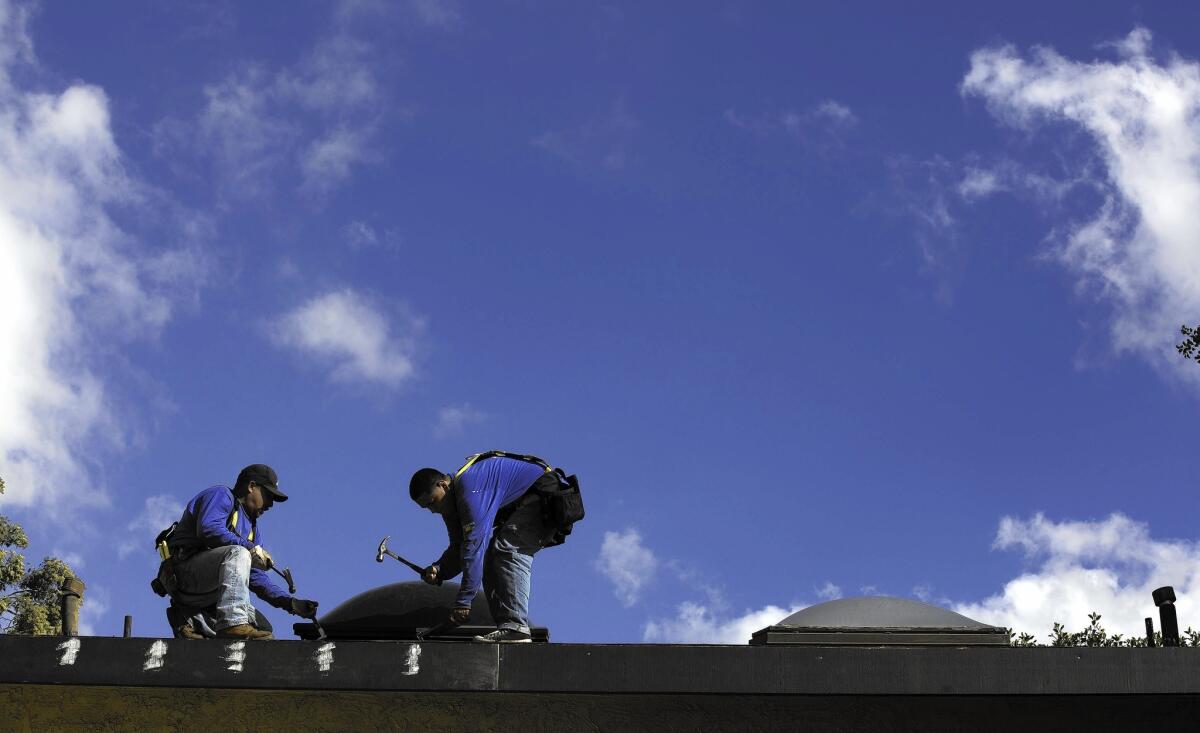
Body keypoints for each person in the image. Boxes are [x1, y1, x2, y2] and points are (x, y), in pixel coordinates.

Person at [410, 453, 567, 643]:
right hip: (523, 503)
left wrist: (464, 601)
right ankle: (508, 627)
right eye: (426, 507)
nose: (433, 510)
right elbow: (460, 547)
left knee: (506, 547)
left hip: (545, 496)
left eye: (432, 502)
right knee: (491, 557)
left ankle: (516, 627)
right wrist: (440, 569)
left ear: (443, 485)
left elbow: (474, 547)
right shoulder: (450, 508)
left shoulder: (469, 490)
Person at [164, 464, 319, 640]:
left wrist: (290, 603)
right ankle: (230, 624)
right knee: (239, 554)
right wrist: (249, 548)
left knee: (262, 628)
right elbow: (208, 528)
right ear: (251, 486)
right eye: (268, 496)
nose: (270, 504)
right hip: (185, 574)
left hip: (210, 590)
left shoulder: (252, 529)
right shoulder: (221, 495)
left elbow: (254, 576)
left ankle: (191, 619)